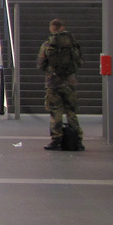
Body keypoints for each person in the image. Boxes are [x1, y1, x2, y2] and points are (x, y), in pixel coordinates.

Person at [36, 18, 83, 151]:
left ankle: (56, 140)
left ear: (52, 28)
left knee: (55, 111)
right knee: (71, 111)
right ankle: (77, 140)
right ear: (62, 27)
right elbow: (79, 61)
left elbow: (41, 64)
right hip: (70, 82)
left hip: (53, 83)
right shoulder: (73, 44)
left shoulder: (47, 44)